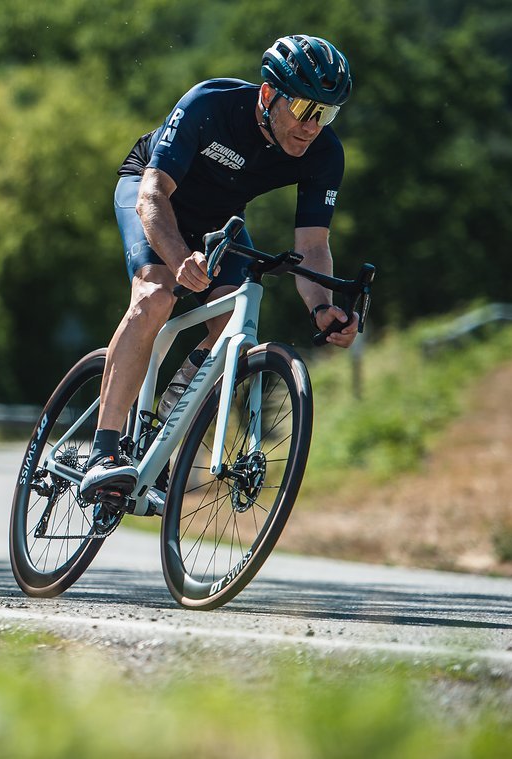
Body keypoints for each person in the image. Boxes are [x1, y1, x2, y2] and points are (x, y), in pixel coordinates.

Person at [80, 34, 360, 500]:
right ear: (269, 94)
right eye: (307, 109)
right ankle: (103, 453)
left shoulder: (324, 153)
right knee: (156, 295)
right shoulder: (210, 104)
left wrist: (322, 308)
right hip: (152, 194)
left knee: (231, 324)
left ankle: (158, 435)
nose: (314, 126)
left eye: (327, 113)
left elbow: (312, 246)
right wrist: (176, 260)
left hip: (216, 224)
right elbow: (152, 196)